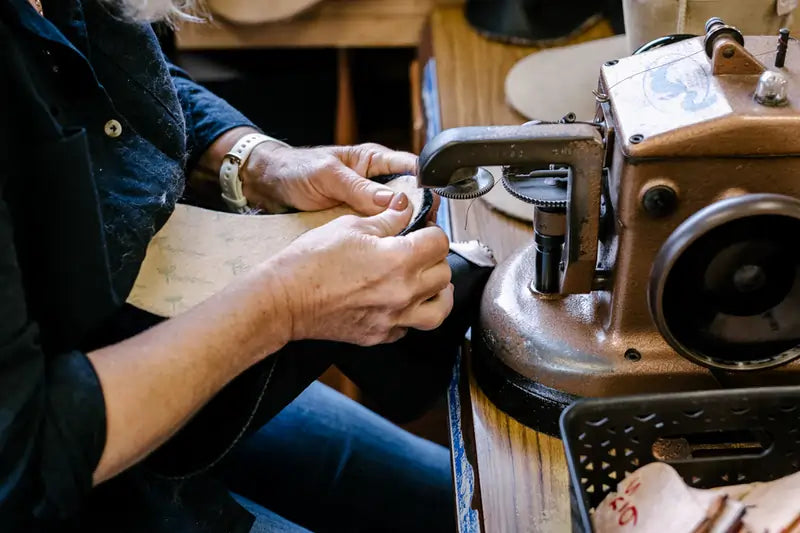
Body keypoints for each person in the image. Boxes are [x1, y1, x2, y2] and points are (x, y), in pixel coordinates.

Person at [0, 0, 492, 531]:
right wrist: (285, 305)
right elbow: (27, 462)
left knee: (461, 504)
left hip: (139, 343)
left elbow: (101, 79)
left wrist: (258, 161)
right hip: (63, 452)